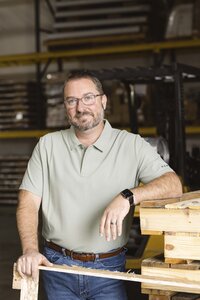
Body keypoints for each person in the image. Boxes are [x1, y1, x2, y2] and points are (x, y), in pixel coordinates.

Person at [16, 70, 182, 300]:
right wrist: (30, 250)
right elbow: (27, 203)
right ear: (65, 106)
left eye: (88, 98)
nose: (80, 107)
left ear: (103, 100)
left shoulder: (131, 144)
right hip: (57, 268)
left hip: (109, 270)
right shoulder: (47, 146)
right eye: (71, 101)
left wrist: (127, 196)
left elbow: (173, 185)